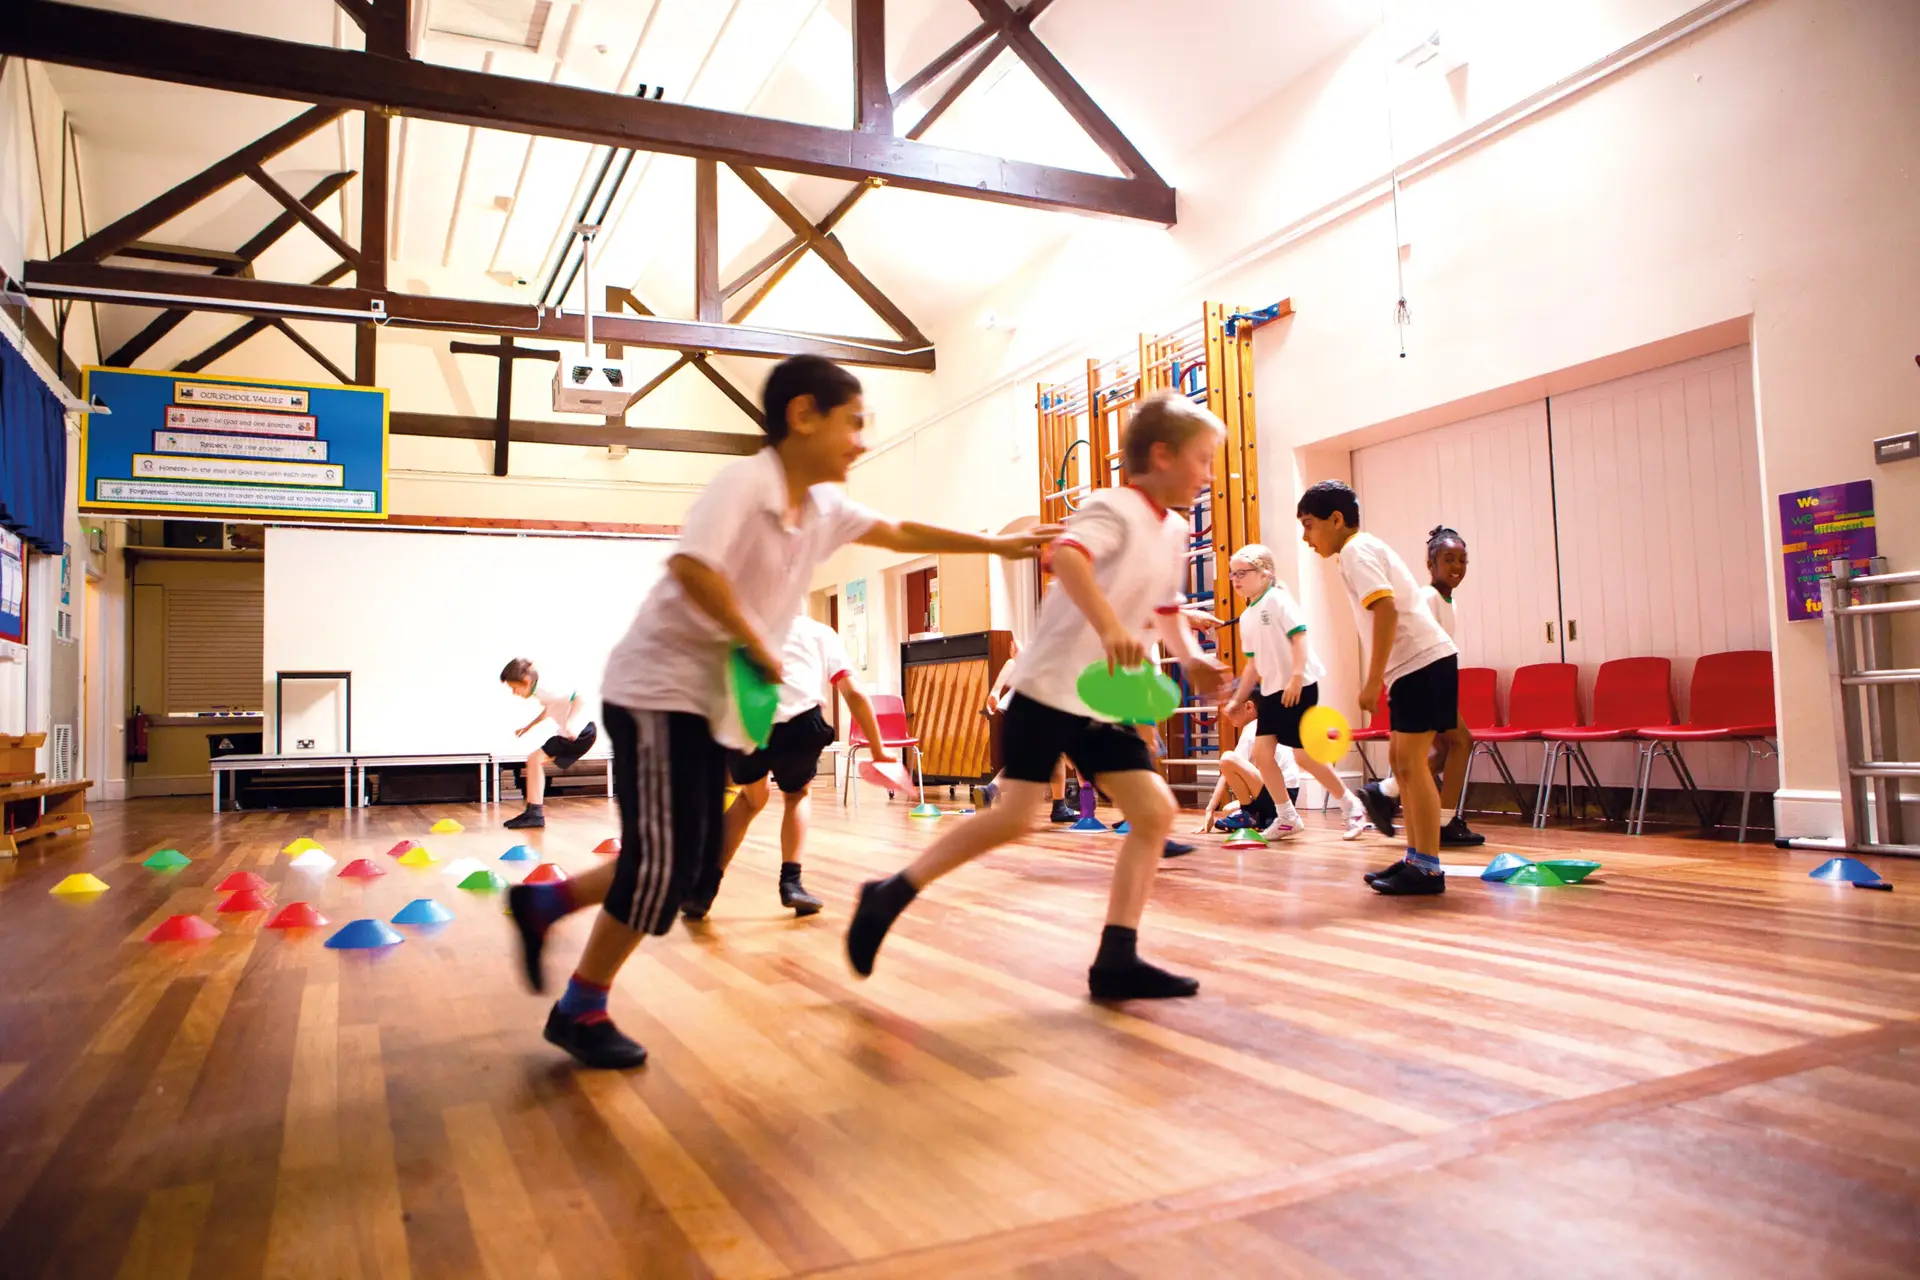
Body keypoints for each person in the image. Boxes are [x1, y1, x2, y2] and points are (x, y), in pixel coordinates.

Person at [506, 354, 1055, 1069]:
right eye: (853, 422)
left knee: (685, 861)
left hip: (706, 705)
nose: (861, 441)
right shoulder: (744, 484)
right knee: (667, 868)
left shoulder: (824, 509)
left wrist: (995, 544)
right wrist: (749, 640)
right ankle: (582, 1005)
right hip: (655, 692)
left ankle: (544, 907)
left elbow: (898, 532)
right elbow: (692, 568)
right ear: (803, 415)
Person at [846, 390, 1229, 1001]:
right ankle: (891, 891)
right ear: (1161, 455)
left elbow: (1163, 605)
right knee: (1014, 816)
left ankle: (1116, 959)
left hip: (1101, 703)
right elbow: (1067, 559)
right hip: (1050, 687)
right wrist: (1107, 626)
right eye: (1203, 459)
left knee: (1154, 812)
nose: (1210, 474)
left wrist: (1190, 658)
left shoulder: (1176, 528)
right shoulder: (1111, 506)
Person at [1297, 480, 1457, 895]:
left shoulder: (1355, 550)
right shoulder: (1355, 551)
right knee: (1403, 763)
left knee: (1412, 764)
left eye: (1309, 525)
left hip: (1422, 662)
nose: (1305, 537)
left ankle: (1427, 867)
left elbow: (1384, 611)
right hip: (1412, 668)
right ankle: (1416, 859)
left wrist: (1371, 682)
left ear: (1336, 520)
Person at [689, 614, 892, 919]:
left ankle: (704, 888)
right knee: (796, 794)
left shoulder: (740, 627)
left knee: (751, 799)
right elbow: (855, 694)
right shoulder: (819, 632)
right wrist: (878, 750)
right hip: (800, 726)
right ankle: (792, 883)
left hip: (751, 727)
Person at [1220, 544, 1371, 842]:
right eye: (1231, 574)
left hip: (1298, 686)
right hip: (1272, 689)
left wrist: (1296, 677)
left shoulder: (1277, 601)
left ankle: (1351, 806)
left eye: (1242, 573)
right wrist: (1238, 699)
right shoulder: (1248, 616)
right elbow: (1252, 663)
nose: (1235, 579)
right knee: (1262, 755)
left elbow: (1300, 636)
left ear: (1264, 574)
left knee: (1303, 757)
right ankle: (1287, 817)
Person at [1355, 525, 1485, 846]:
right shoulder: (1427, 597)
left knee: (1444, 753)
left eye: (1462, 560)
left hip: (1436, 679)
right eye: (1449, 559)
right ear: (1431, 565)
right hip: (1423, 679)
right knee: (1462, 742)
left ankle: (1384, 793)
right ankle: (1444, 821)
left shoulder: (1448, 601)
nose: (1456, 566)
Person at [499, 658, 598, 830]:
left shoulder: (547, 688)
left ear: (526, 682)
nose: (514, 693)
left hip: (582, 732)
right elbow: (550, 709)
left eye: (515, 688)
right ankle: (533, 812)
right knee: (534, 761)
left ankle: (534, 813)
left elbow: (579, 697)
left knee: (534, 760)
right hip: (583, 732)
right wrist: (528, 726)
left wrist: (570, 723)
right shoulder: (541, 690)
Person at [1193, 700, 1289, 835]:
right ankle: (1263, 818)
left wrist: (1210, 809)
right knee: (1227, 810)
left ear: (1249, 706)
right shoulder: (1267, 723)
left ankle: (1249, 815)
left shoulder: (1252, 728)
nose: (1227, 713)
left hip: (1278, 796)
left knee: (1227, 758)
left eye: (1231, 709)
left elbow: (1226, 770)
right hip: (1285, 799)